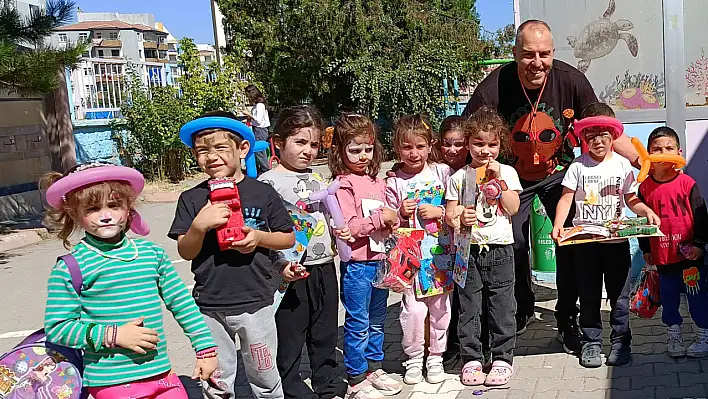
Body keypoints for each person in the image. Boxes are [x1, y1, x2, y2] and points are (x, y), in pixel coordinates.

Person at [461, 19, 640, 353]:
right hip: (511, 177)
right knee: (510, 244)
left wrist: (642, 162)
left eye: (544, 54)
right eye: (528, 54)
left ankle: (566, 319)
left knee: (570, 241)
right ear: (515, 53)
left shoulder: (570, 79)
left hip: (559, 173)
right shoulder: (494, 85)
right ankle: (521, 307)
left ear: (553, 53)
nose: (536, 62)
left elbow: (605, 129)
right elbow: (464, 133)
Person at [41, 162, 218, 399]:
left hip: (162, 374)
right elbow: (58, 328)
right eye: (92, 209)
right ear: (74, 213)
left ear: (128, 208)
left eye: (114, 205)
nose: (105, 216)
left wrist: (206, 349)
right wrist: (113, 335)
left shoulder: (151, 254)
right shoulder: (71, 267)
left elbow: (182, 303)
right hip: (111, 382)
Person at [169, 111, 296, 399]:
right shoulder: (191, 198)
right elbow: (185, 251)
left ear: (243, 149)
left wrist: (259, 238)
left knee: (264, 373)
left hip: (256, 301)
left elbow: (287, 237)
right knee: (218, 378)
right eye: (202, 151)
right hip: (210, 304)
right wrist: (199, 226)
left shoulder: (262, 192)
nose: (211, 157)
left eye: (220, 148)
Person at [551, 103, 660, 368]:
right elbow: (566, 199)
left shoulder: (623, 165)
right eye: (591, 136)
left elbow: (631, 198)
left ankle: (621, 343)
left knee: (619, 297)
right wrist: (558, 224)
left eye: (603, 135)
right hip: (585, 243)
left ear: (613, 136)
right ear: (584, 139)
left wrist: (645, 210)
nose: (597, 141)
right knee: (588, 295)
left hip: (616, 244)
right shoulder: (578, 166)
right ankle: (591, 342)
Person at [258, 105, 351, 399]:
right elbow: (263, 233)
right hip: (289, 272)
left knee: (325, 331)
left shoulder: (318, 179)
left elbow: (330, 214)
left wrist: (342, 234)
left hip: (323, 266)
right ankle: (290, 387)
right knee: (290, 334)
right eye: (300, 142)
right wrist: (278, 265)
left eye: (313, 144)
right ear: (278, 142)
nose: (308, 151)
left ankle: (329, 384)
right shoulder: (267, 184)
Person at [445, 107, 522, 386]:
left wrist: (499, 183)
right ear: (468, 144)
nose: (485, 150)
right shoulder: (459, 177)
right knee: (469, 308)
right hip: (469, 251)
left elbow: (513, 208)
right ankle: (472, 359)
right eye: (478, 143)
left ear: (500, 144)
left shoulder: (508, 172)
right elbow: (450, 214)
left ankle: (502, 358)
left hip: (500, 249)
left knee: (502, 306)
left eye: (492, 144)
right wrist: (459, 218)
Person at [330, 114, 403, 399]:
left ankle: (375, 368)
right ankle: (356, 378)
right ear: (340, 151)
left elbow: (392, 215)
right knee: (358, 323)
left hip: (380, 261)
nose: (363, 156)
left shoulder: (377, 181)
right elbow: (347, 226)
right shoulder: (343, 184)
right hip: (357, 266)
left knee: (377, 319)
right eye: (355, 149)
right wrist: (379, 217)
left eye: (368, 149)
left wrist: (394, 215)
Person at [384, 114, 453, 385]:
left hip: (439, 256)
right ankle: (413, 358)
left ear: (430, 144)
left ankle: (436, 356)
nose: (414, 153)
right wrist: (400, 212)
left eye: (420, 146)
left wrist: (440, 211)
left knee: (440, 309)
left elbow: (455, 205)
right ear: (397, 148)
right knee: (413, 312)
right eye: (407, 147)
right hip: (409, 259)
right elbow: (387, 220)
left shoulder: (441, 173)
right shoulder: (393, 183)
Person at [637, 127, 708, 358]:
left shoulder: (687, 183)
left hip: (690, 258)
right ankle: (674, 335)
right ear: (647, 154)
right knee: (668, 300)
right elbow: (641, 222)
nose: (663, 153)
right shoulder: (644, 188)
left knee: (697, 297)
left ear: (678, 151)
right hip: (662, 257)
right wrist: (645, 248)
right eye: (656, 149)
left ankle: (702, 335)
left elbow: (701, 216)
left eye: (668, 148)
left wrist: (699, 244)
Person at [243, 84, 272, 174]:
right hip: (257, 129)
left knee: (259, 150)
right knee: (257, 150)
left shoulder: (260, 106)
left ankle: (265, 170)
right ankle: (260, 169)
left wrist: (248, 114)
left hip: (261, 129)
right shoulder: (257, 106)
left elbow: (258, 120)